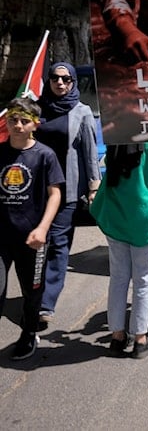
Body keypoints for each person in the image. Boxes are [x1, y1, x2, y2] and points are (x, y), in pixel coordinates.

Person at [89, 142, 148, 358]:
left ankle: (117, 337)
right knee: (143, 280)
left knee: (118, 278)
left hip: (115, 215)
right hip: (146, 219)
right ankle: (140, 339)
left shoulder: (117, 130)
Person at [33, 63, 101, 329]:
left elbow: (89, 152)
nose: (60, 83)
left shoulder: (82, 111)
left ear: (72, 82)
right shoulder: (37, 109)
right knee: (37, 242)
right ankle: (33, 291)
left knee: (58, 245)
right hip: (36, 188)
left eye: (66, 79)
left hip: (67, 189)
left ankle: (46, 303)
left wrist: (94, 187)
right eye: (55, 78)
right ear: (48, 80)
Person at [0, 98, 63, 361]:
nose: (17, 125)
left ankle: (28, 334)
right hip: (1, 237)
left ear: (34, 124)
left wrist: (42, 228)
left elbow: (55, 194)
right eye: (13, 119)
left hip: (32, 238)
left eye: (24, 120)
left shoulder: (44, 155)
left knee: (32, 290)